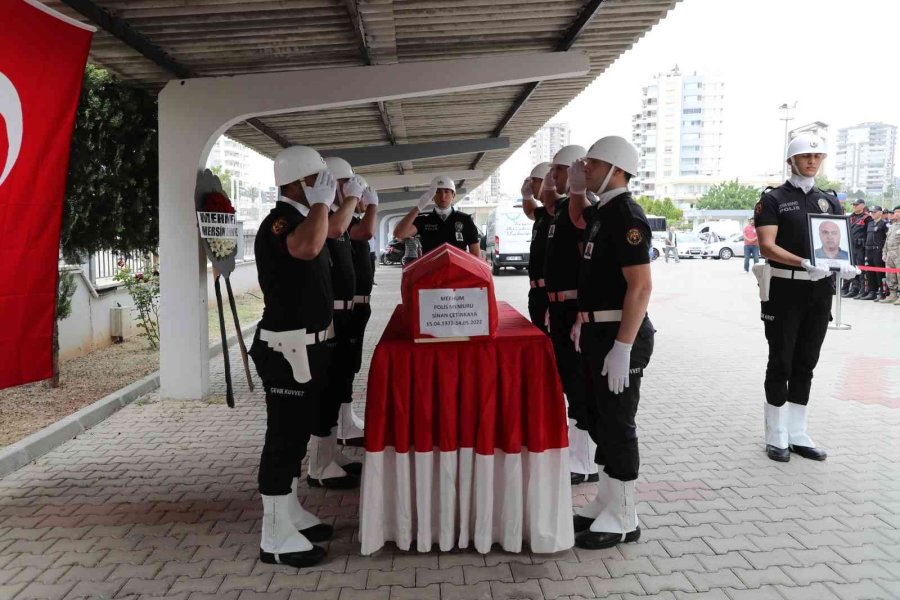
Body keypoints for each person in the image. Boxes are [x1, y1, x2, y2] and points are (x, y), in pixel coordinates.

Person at [249, 145, 336, 567]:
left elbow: (324, 237)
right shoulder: (280, 222)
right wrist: (319, 203)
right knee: (283, 439)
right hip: (287, 349)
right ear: (298, 182)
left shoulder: (306, 218)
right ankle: (274, 537)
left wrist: (322, 205)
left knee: (297, 434)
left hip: (307, 345)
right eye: (317, 179)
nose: (325, 187)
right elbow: (305, 249)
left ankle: (290, 512)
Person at [566, 136, 653, 550]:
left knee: (618, 424)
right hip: (599, 330)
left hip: (622, 334)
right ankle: (606, 498)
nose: (586, 169)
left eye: (594, 164)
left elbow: (640, 288)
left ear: (617, 168)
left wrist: (623, 347)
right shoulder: (602, 212)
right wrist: (585, 320)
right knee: (601, 419)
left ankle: (625, 515)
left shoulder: (627, 215)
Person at [754, 134, 858, 463]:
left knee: (806, 362)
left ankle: (798, 431)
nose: (812, 161)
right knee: (781, 360)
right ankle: (776, 433)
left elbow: (836, 241)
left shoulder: (829, 201)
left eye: (817, 155)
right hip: (785, 288)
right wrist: (801, 261)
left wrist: (844, 264)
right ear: (791, 161)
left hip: (819, 290)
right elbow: (767, 245)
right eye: (805, 155)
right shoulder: (772, 199)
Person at [540, 145, 599, 487]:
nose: (555, 178)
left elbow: (586, 267)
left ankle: (585, 459)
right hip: (560, 306)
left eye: (559, 172)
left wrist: (581, 314)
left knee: (579, 383)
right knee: (568, 380)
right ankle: (577, 452)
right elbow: (547, 204)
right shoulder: (562, 209)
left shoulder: (583, 210)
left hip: (576, 308)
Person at [306, 156, 364, 489]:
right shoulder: (325, 218)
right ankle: (318, 465)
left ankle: (328, 456)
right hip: (328, 317)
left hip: (344, 314)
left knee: (339, 382)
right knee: (326, 391)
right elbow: (339, 228)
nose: (349, 190)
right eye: (345, 184)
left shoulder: (337, 215)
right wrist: (352, 199)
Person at [336, 176, 378, 445]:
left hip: (358, 304)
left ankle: (346, 419)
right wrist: (373, 207)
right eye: (357, 193)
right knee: (343, 367)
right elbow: (367, 232)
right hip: (346, 308)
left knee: (350, 366)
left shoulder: (348, 220)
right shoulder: (345, 222)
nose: (361, 198)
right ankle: (342, 424)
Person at [393, 175, 480, 257]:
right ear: (432, 196)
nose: (443, 196)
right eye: (438, 192)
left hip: (457, 271)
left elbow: (475, 254)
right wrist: (418, 207)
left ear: (453, 195)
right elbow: (400, 234)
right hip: (432, 270)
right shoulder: (424, 220)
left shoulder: (465, 220)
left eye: (446, 191)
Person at [521, 161, 552, 333]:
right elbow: (530, 212)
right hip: (537, 292)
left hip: (550, 292)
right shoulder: (543, 213)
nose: (531, 185)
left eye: (535, 181)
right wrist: (527, 197)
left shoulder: (562, 211)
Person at [842, 199, 870, 298]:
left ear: (862, 205)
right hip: (850, 247)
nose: (854, 206)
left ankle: (862, 290)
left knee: (860, 269)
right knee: (851, 268)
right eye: (853, 204)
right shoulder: (850, 217)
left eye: (856, 204)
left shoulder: (867, 218)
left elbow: (869, 233)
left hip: (860, 247)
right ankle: (854, 288)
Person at [860, 206, 888, 301]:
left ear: (880, 213)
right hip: (869, 250)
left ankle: (882, 292)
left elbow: (887, 239)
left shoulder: (884, 224)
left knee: (879, 272)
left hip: (878, 250)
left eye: (874, 212)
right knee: (869, 272)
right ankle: (872, 292)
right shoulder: (870, 223)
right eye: (871, 212)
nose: (872, 214)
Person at [882, 207, 900, 305]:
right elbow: (887, 241)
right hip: (890, 255)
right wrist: (884, 253)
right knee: (890, 275)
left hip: (898, 255)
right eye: (895, 212)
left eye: (898, 212)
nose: (895, 214)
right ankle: (893, 295)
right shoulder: (893, 225)